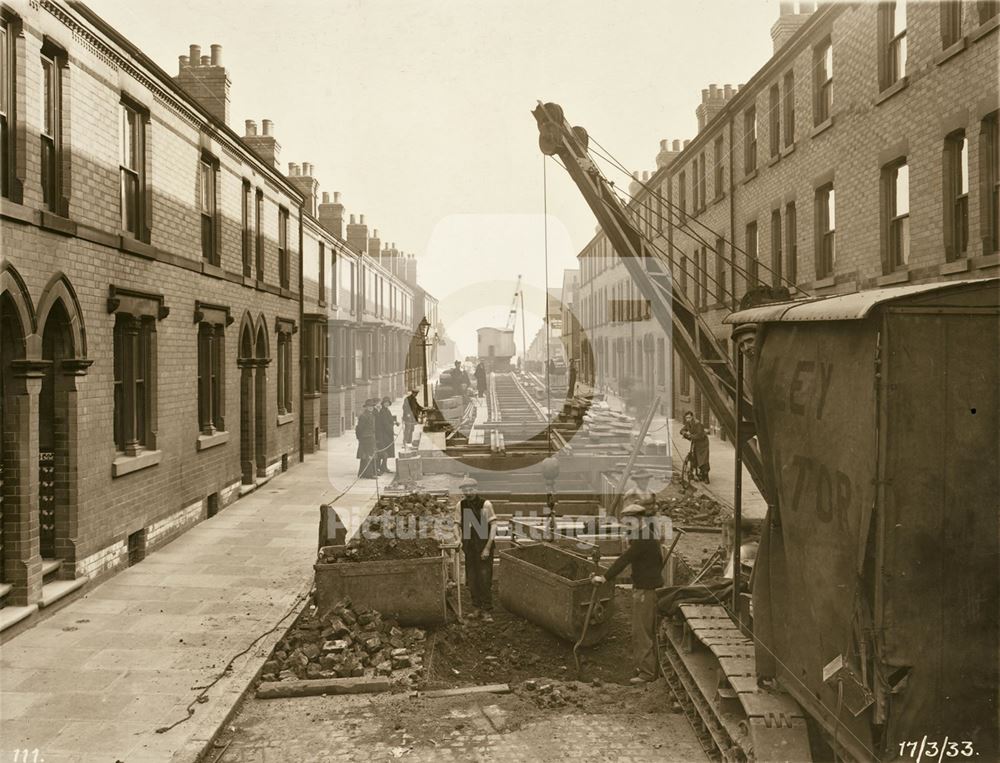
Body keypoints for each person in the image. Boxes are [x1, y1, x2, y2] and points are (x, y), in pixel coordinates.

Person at [591, 503, 663, 684]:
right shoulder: (646, 535)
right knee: (644, 630)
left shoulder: (643, 539)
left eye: (628, 522)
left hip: (646, 591)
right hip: (647, 588)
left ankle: (646, 674)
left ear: (637, 520)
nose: (626, 526)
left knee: (641, 632)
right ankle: (647, 668)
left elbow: (624, 560)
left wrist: (604, 578)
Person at [458, 477, 497, 622]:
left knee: (484, 578)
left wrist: (487, 547)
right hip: (470, 547)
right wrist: (459, 539)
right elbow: (457, 523)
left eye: (471, 489)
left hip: (483, 546)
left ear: (476, 489)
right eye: (465, 490)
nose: (468, 492)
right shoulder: (461, 505)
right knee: (472, 578)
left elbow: (493, 525)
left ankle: (486, 610)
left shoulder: (485, 504)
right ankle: (476, 608)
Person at [680, 410, 710, 483]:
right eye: (686, 418)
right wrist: (684, 433)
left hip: (703, 443)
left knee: (703, 459)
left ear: (692, 417)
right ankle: (697, 473)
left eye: (689, 417)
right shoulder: (688, 423)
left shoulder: (697, 423)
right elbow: (682, 430)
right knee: (695, 457)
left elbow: (699, 435)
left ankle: (706, 477)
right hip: (696, 443)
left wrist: (690, 436)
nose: (688, 419)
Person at [355, 400, 377, 478]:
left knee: (366, 456)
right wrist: (360, 438)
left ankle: (362, 474)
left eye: (372, 406)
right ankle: (369, 474)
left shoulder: (371, 415)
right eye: (369, 406)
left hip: (371, 437)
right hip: (366, 438)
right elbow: (359, 428)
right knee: (368, 456)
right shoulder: (364, 416)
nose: (371, 408)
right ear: (366, 407)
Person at [375, 397, 397, 474]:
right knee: (384, 451)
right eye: (385, 402)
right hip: (384, 435)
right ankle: (380, 467)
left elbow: (389, 420)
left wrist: (394, 423)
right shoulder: (383, 411)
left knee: (386, 452)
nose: (386, 404)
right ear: (383, 403)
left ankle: (384, 466)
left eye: (388, 402)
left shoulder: (387, 410)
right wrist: (391, 431)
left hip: (387, 434)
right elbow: (385, 424)